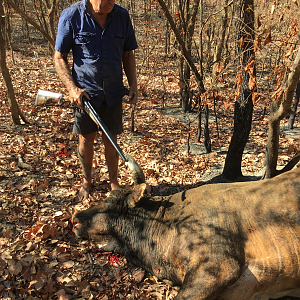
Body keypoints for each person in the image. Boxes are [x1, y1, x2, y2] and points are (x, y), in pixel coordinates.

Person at [54, 0, 138, 200]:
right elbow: (59, 57)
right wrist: (73, 89)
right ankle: (87, 180)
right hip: (85, 96)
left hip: (114, 93)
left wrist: (134, 84)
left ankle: (114, 182)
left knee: (111, 139)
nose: (111, 2)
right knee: (85, 139)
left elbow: (128, 54)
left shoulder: (122, 16)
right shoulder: (71, 15)